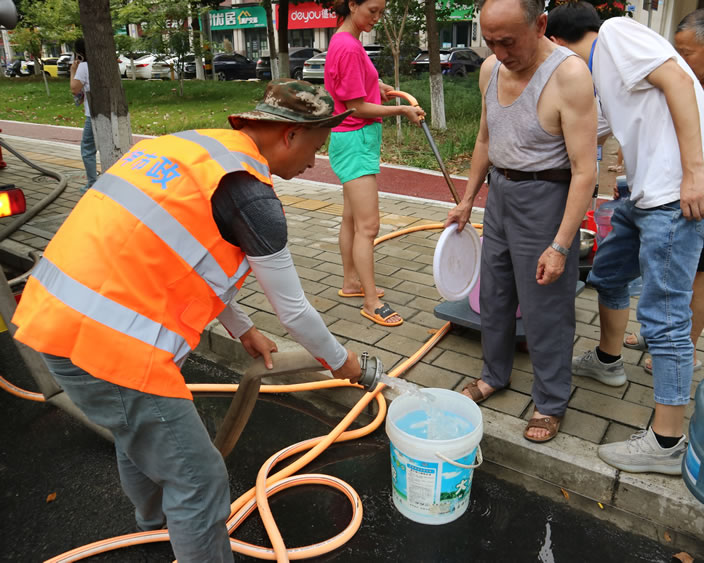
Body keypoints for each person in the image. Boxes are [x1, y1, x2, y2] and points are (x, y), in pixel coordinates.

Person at [11, 79, 362, 563]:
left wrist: (243, 328)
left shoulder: (190, 147)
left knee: (138, 435)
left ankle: (153, 528)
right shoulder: (254, 198)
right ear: (289, 135)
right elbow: (296, 312)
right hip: (109, 347)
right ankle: (176, 533)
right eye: (315, 148)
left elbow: (183, 252)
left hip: (54, 316)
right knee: (200, 480)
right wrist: (348, 365)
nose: (312, 163)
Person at [546, 3, 704, 474]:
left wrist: (693, 172)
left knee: (664, 315)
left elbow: (680, 83)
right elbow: (592, 135)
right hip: (646, 196)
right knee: (608, 273)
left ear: (560, 43)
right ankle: (608, 361)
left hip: (676, 195)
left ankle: (666, 443)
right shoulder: (600, 74)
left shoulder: (616, 35)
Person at [446, 0, 597, 442]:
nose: (499, 51)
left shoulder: (569, 76)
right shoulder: (491, 69)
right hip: (501, 194)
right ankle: (495, 375)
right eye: (490, 41)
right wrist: (468, 198)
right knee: (494, 293)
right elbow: (485, 138)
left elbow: (585, 171)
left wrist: (562, 244)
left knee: (544, 307)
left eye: (508, 41)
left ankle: (550, 402)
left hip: (547, 197)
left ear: (541, 25)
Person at [624, 9, 704, 375]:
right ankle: (657, 333)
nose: (681, 60)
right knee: (660, 275)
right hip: (668, 204)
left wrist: (692, 179)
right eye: (676, 52)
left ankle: (687, 350)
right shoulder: (686, 83)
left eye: (687, 52)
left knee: (693, 283)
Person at [325, 0, 425, 327]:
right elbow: (356, 107)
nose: (377, 18)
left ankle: (351, 282)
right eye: (372, 10)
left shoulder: (343, 41)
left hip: (347, 140)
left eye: (381, 12)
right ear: (352, 4)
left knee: (352, 219)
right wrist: (401, 111)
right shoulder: (350, 47)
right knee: (369, 227)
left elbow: (350, 91)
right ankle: (370, 302)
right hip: (356, 140)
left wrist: (375, 86)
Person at [70, 38, 97, 193]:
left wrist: (73, 71)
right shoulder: (102, 63)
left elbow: (75, 89)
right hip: (110, 111)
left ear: (79, 53)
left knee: (87, 149)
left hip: (92, 114)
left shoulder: (84, 66)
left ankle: (92, 183)